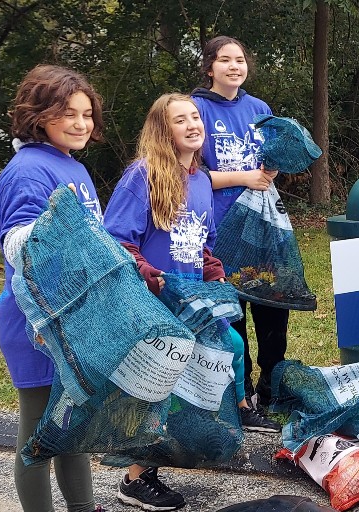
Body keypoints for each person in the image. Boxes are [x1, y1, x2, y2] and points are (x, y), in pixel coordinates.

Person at [103, 93, 254, 511]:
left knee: (231, 351)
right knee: (158, 386)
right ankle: (135, 477)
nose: (192, 125)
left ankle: (185, 441)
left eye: (195, 117)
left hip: (192, 295)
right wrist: (144, 271)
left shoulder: (203, 181)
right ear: (162, 130)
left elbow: (198, 241)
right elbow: (116, 238)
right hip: (154, 298)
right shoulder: (144, 174)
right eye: (179, 120)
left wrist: (209, 265)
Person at [0, 64, 104, 512]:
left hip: (72, 318)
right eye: (68, 114)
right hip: (36, 321)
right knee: (38, 432)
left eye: (87, 114)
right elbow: (18, 244)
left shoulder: (69, 164)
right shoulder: (27, 171)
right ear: (39, 115)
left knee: (71, 425)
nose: (81, 123)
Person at [190, 35, 289, 433]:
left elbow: (268, 159)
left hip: (262, 229)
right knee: (233, 316)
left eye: (240, 59)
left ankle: (272, 385)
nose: (235, 66)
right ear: (210, 66)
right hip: (220, 233)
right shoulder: (195, 108)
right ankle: (240, 396)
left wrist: (271, 170)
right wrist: (243, 177)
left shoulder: (258, 108)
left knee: (273, 308)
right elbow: (189, 174)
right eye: (225, 60)